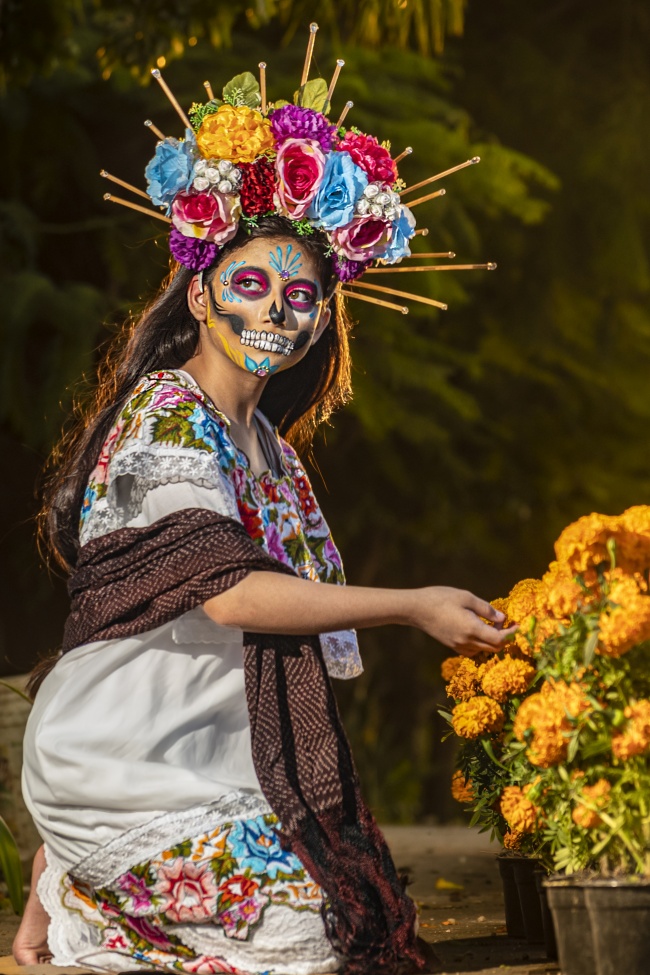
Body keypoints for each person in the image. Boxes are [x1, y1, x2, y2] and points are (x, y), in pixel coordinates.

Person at [14, 50, 515, 975]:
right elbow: (234, 597)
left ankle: (73, 876)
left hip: (207, 762)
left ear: (323, 318)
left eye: (301, 296)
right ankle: (83, 877)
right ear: (201, 292)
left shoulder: (272, 452)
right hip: (118, 759)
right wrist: (413, 605)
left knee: (357, 915)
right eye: (251, 285)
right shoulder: (168, 414)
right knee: (305, 942)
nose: (277, 312)